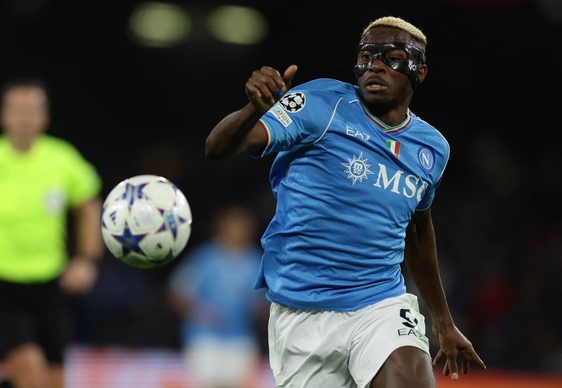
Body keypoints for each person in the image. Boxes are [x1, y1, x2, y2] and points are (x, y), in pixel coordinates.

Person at [205, 15, 486, 388]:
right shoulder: (320, 103)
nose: (376, 66)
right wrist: (253, 109)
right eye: (367, 55)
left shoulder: (432, 148)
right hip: (301, 311)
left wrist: (443, 321)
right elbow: (218, 148)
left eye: (393, 57)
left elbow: (417, 229)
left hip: (379, 302)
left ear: (419, 71)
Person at [0, 77, 104, 388]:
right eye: (17, 110)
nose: (24, 117)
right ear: (2, 116)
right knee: (32, 374)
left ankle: (3, 379)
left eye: (32, 110)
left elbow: (89, 207)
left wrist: (86, 259)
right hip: (1, 282)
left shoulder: (62, 159)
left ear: (44, 117)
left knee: (54, 381)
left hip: (51, 285)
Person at [166, 204, 269, 388]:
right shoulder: (205, 258)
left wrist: (258, 311)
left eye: (243, 224)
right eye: (234, 223)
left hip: (241, 339)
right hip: (204, 338)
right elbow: (176, 294)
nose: (239, 229)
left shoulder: (255, 261)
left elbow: (263, 305)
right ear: (221, 226)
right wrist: (200, 312)